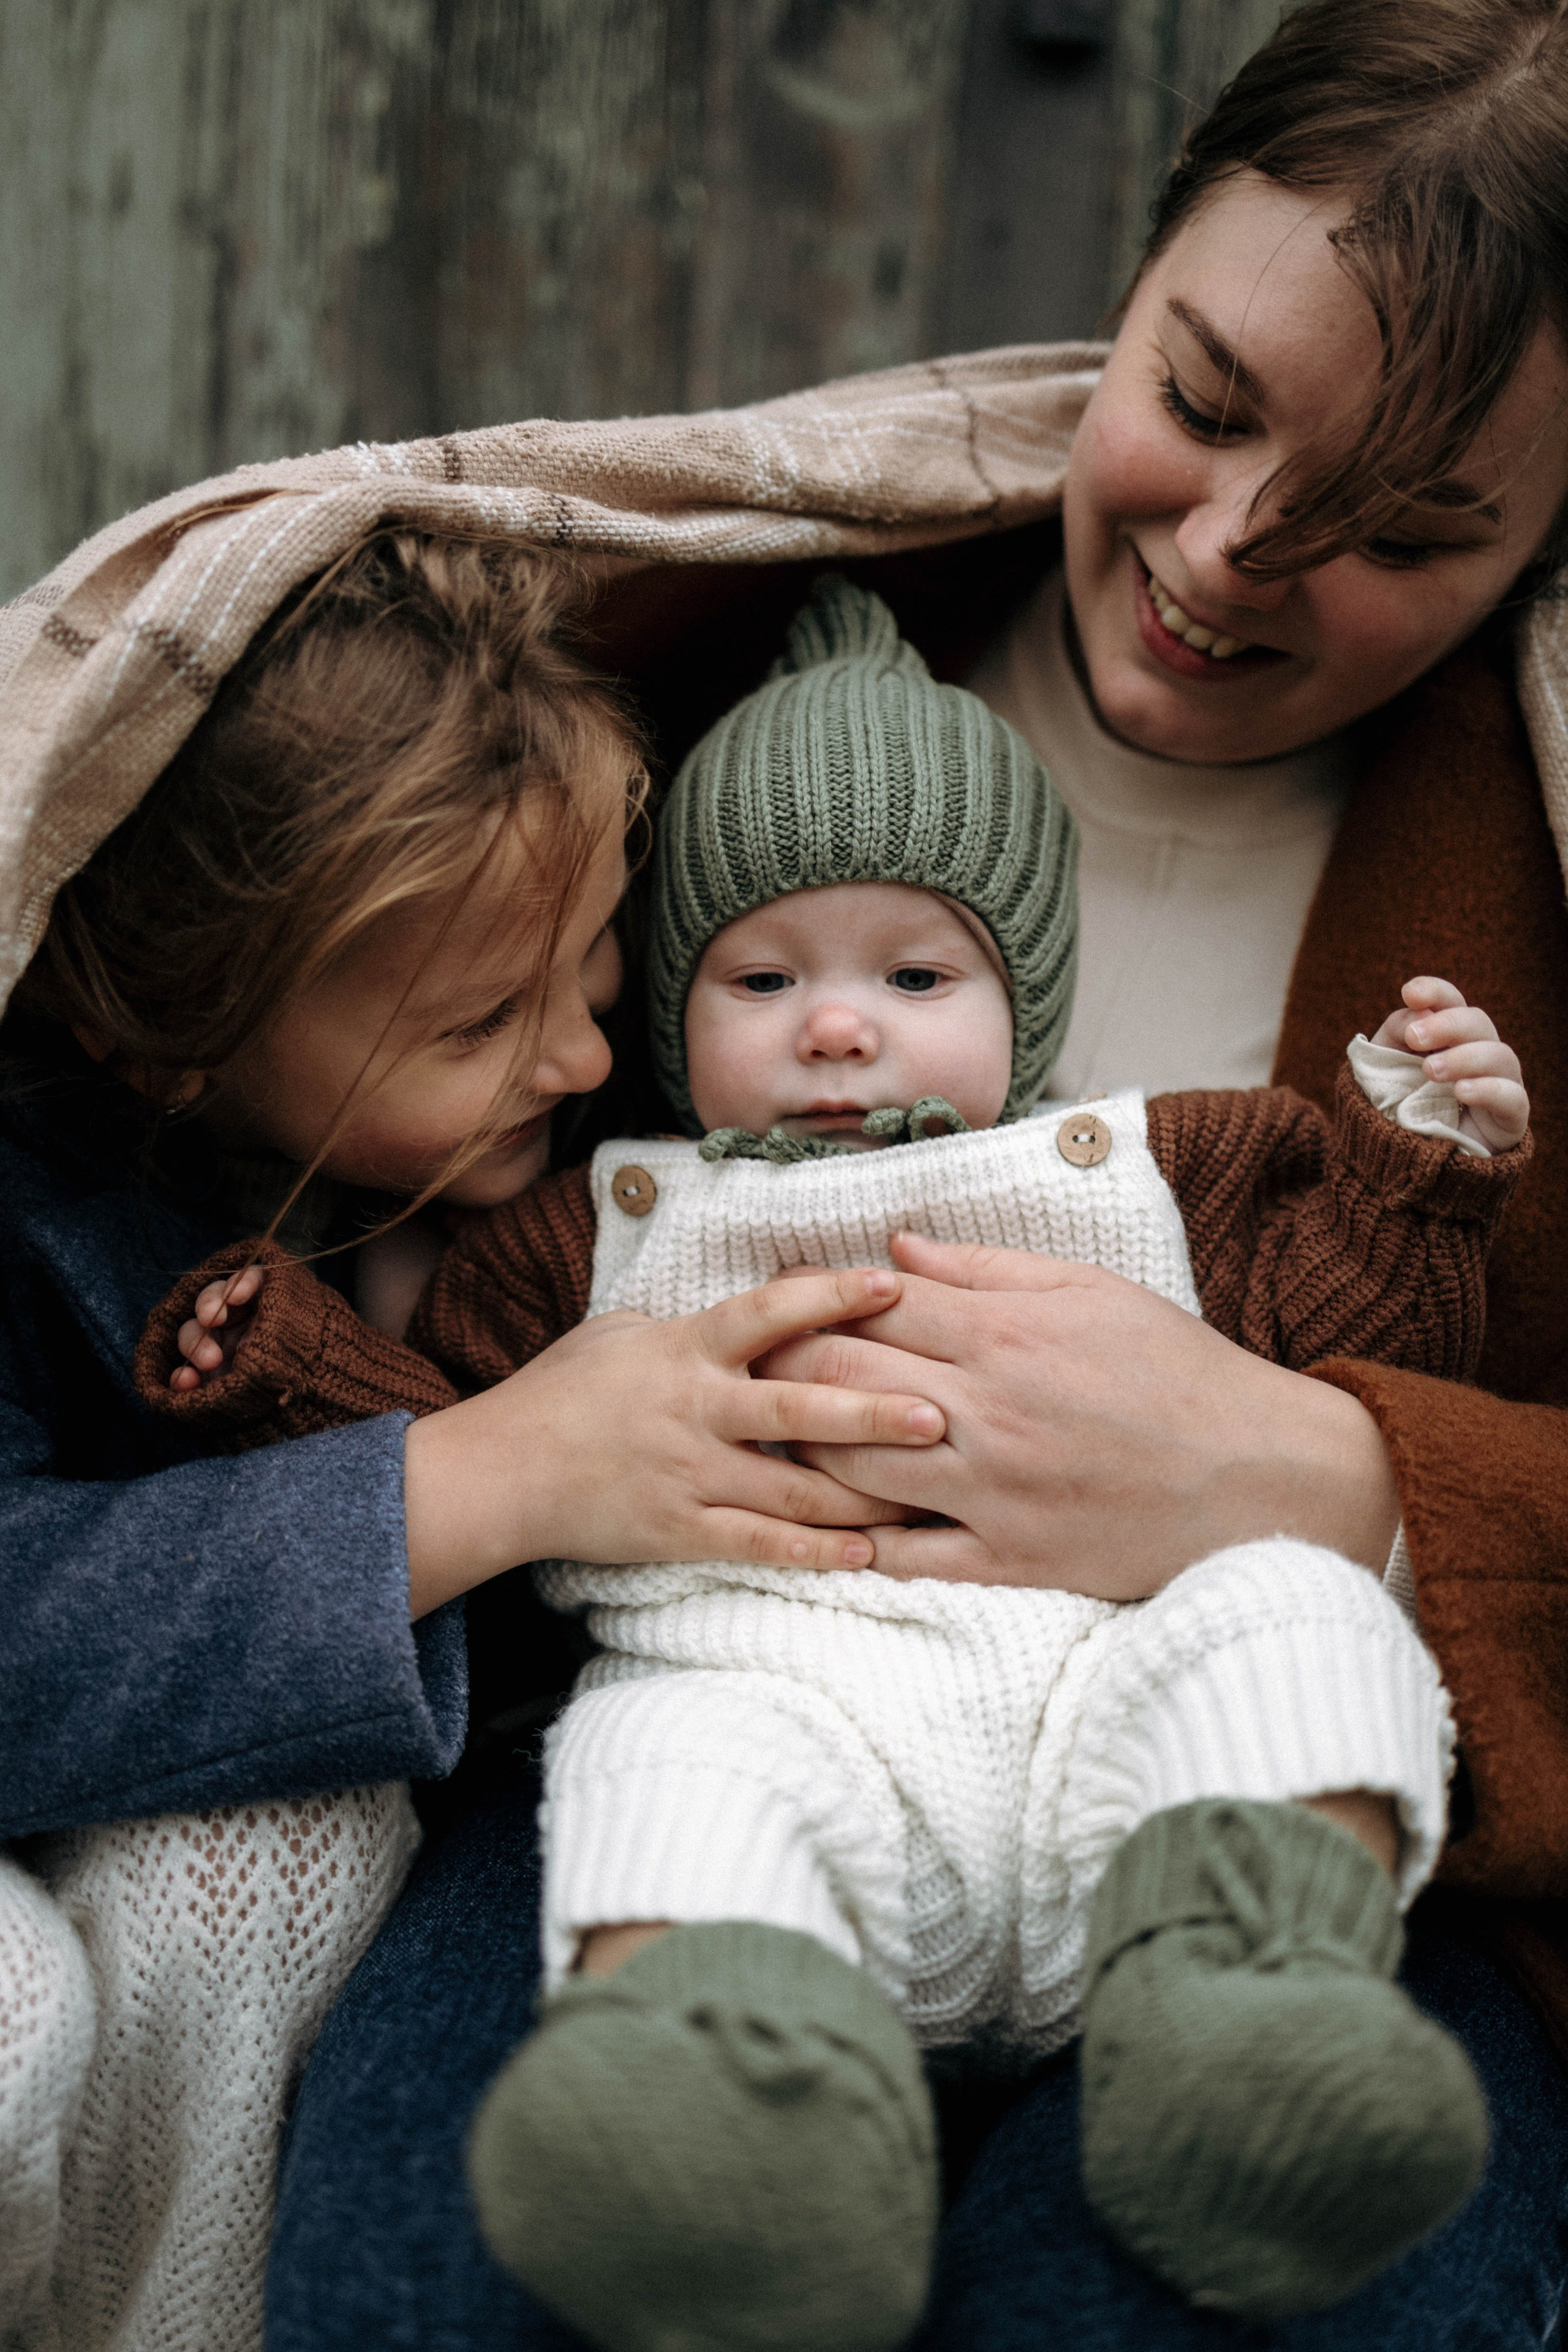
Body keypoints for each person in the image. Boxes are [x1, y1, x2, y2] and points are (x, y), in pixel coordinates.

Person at [2, 1, 1566, 2342]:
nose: (1236, 552)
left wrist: (1347, 1486)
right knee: (463, 2260)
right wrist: (336, 1387)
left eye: (1413, 525)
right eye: (1204, 399)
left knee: (1243, 2249)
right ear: (1129, 280)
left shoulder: (1521, 880)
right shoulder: (662, 650)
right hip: (719, 1727)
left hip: (1259, 1812)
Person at [140, 572, 1531, 2346]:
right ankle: (732, 2108)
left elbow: (1373, 1340)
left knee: (1296, 1615)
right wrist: (290, 1365)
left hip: (1112, 1737)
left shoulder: (1155, 1168)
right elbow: (462, 1425)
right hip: (788, 1725)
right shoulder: (601, 1230)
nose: (840, 1025)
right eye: (764, 976)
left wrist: (1419, 1165)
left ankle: (1253, 2001)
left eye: (917, 974)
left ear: (1025, 997)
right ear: (672, 1015)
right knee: (649, 1752)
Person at [0, 536, 941, 2352]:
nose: (585, 1055)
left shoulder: (600, 1115)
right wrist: (493, 1475)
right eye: (484, 1021)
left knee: (273, 1863)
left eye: (596, 958)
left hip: (360, 1831)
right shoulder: (44, 1191)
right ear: (169, 1046)